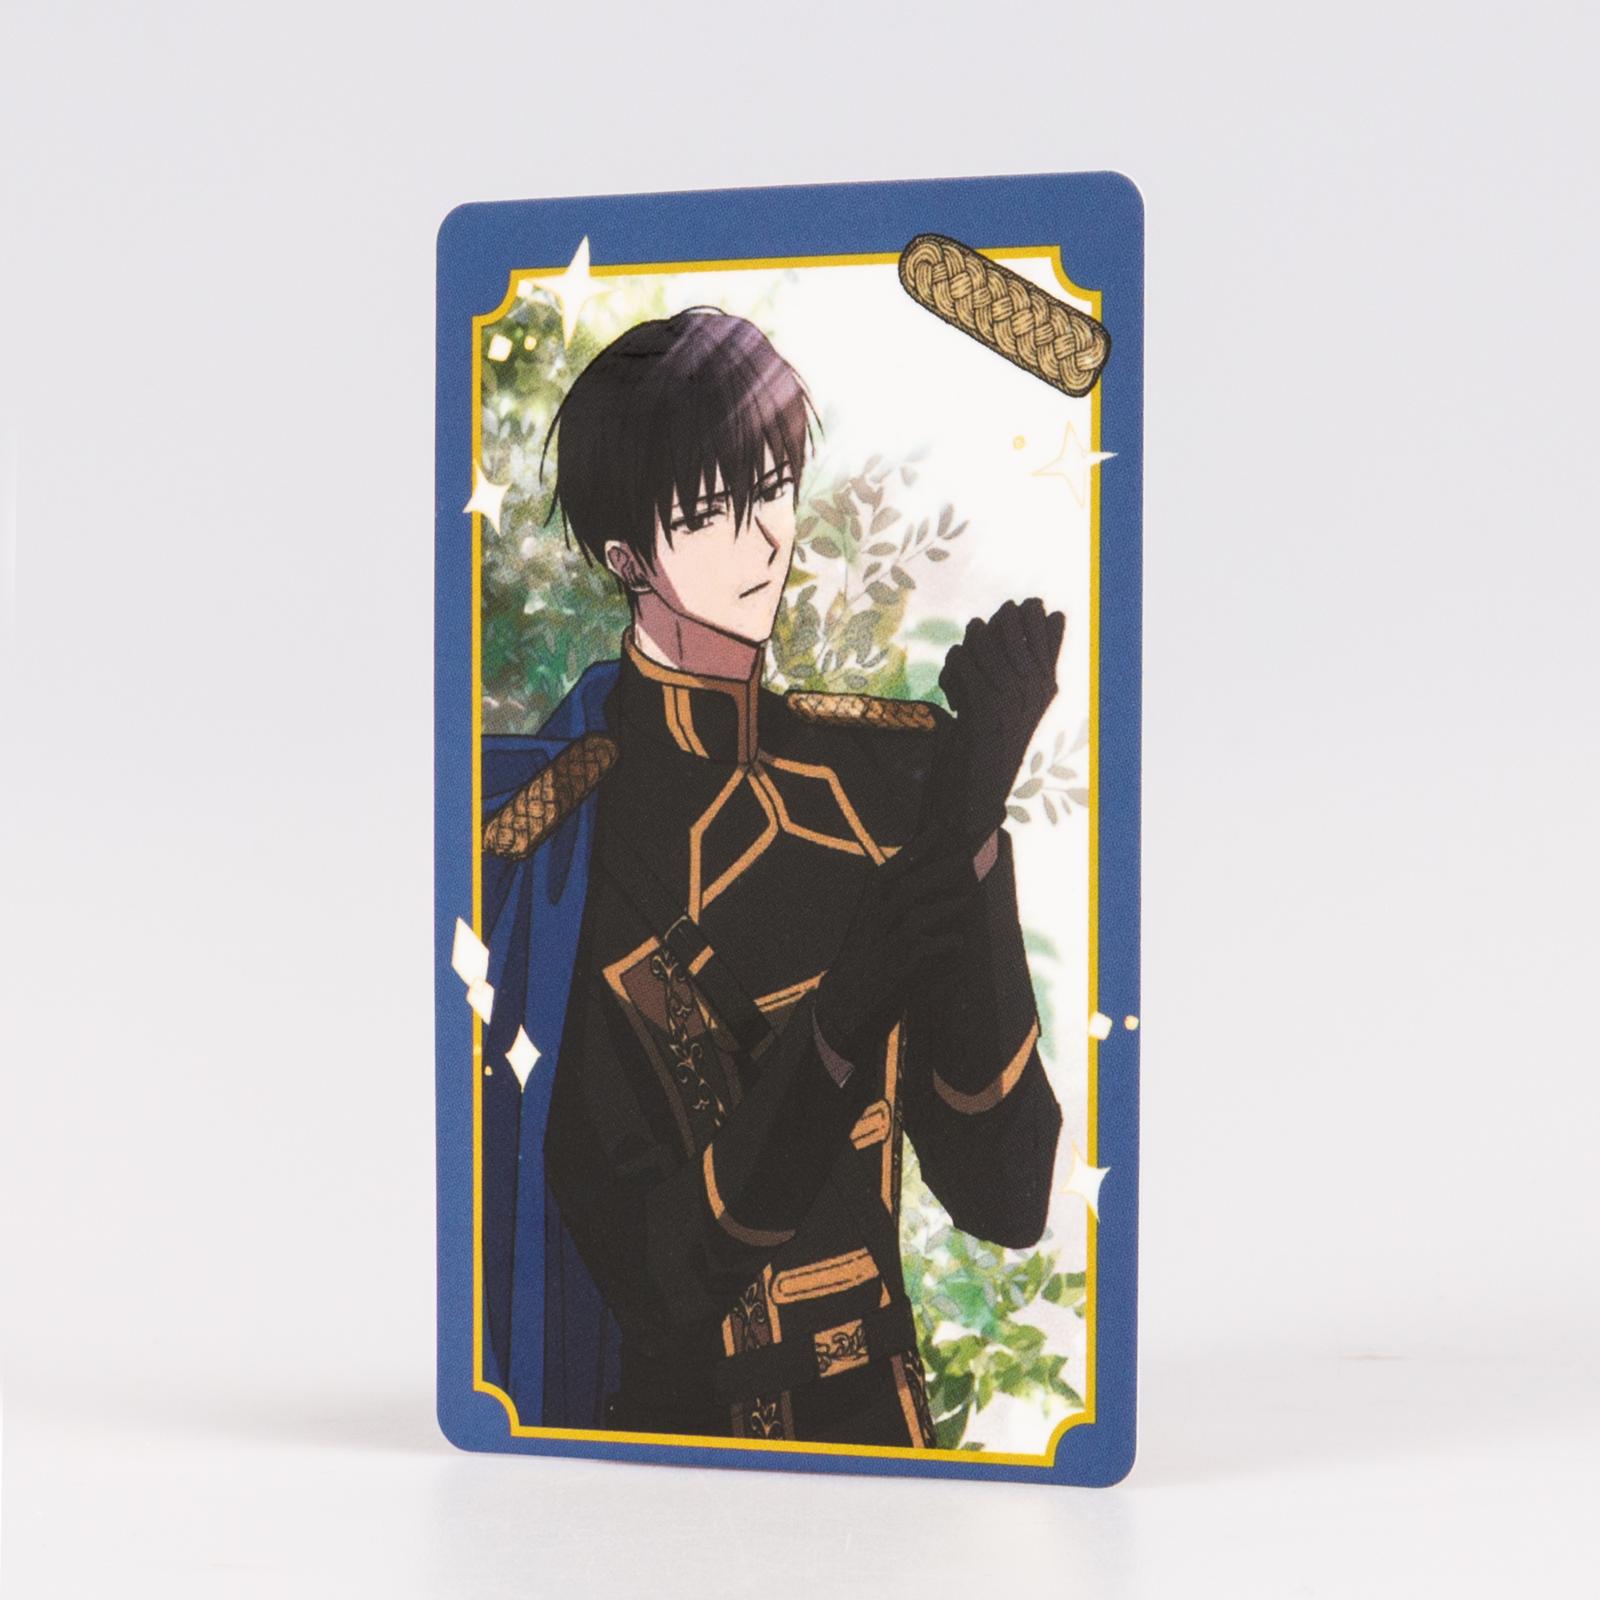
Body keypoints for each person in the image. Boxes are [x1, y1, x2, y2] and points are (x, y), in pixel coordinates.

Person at [480, 306, 1063, 1446]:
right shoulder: (567, 844)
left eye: (773, 490)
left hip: (885, 1433)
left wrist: (970, 830)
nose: (759, 542)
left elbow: (1007, 1197)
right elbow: (658, 1276)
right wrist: (842, 1016)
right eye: (707, 513)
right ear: (625, 556)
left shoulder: (884, 778)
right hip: (669, 1455)